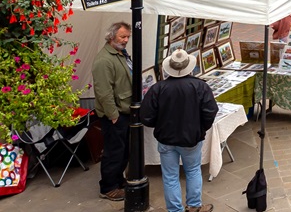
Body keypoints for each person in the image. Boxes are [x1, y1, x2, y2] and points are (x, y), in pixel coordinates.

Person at [139, 49, 218, 212]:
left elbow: (146, 116)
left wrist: (159, 124)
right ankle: (194, 206)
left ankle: (175, 210)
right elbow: (210, 111)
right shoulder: (200, 86)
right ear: (189, 67)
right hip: (191, 138)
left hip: (166, 138)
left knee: (170, 177)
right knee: (193, 170)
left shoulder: (158, 88)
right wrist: (201, 128)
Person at [92, 21, 133, 201]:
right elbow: (103, 92)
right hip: (115, 114)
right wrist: (113, 115)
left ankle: (118, 180)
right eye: (122, 37)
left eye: (127, 37)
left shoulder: (120, 53)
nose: (125, 40)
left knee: (123, 151)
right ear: (111, 37)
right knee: (114, 152)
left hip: (124, 110)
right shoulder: (103, 60)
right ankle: (108, 188)